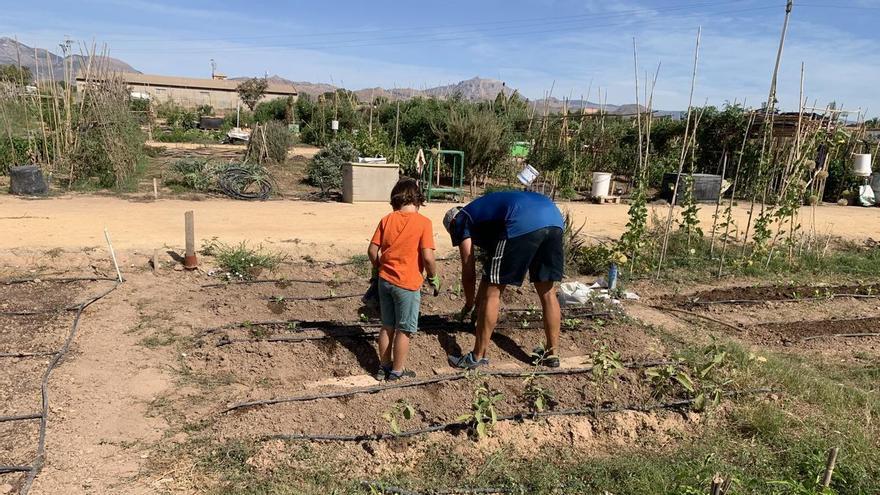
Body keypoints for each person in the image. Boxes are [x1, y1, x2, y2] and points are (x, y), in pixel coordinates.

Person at [443, 190, 564, 369]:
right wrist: (477, 305)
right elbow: (490, 272)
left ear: (451, 224)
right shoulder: (487, 215)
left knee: (494, 293)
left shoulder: (460, 219)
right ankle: (552, 354)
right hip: (554, 219)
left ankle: (477, 357)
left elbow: (469, 271)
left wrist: (469, 304)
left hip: (522, 221)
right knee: (547, 291)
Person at [367, 178, 441, 381]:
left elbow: (372, 250)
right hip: (407, 284)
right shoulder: (423, 223)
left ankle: (383, 367)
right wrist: (433, 277)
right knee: (405, 329)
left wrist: (378, 268)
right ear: (418, 199)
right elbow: (427, 257)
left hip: (385, 281)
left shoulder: (387, 219)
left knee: (387, 325)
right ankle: (397, 372)